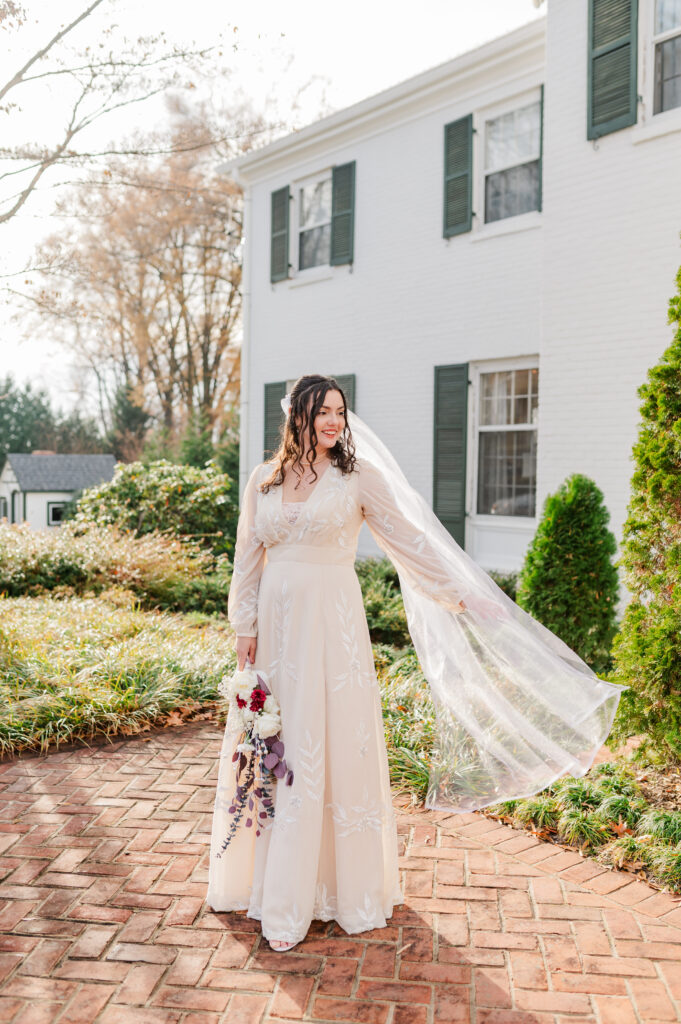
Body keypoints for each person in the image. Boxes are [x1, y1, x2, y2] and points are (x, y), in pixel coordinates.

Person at [206, 373, 624, 951]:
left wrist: (461, 592)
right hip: (275, 637)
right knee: (272, 744)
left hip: (331, 629)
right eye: (322, 410)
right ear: (296, 414)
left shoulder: (356, 478)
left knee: (323, 743)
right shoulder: (263, 480)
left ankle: (328, 888)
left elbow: (410, 541)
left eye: (339, 411)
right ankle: (266, 881)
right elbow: (246, 562)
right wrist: (243, 630)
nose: (333, 420)